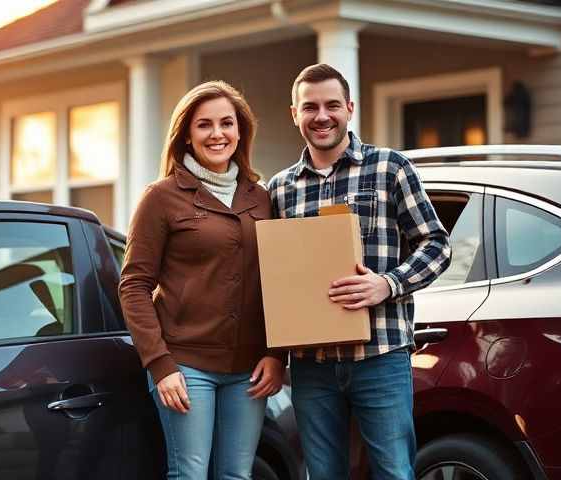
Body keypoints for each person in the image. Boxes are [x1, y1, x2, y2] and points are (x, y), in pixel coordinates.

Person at [267, 63, 451, 480]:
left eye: (333, 105)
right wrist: (276, 355)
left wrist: (387, 285)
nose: (322, 116)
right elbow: (276, 279)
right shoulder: (280, 189)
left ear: (349, 108)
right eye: (309, 107)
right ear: (293, 114)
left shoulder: (390, 168)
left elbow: (437, 245)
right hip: (311, 365)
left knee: (393, 472)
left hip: (380, 358)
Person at [118, 80, 285, 480]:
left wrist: (277, 355)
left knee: (236, 476)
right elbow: (134, 285)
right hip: (186, 365)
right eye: (204, 125)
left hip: (249, 369)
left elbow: (280, 282)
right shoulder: (161, 197)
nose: (217, 134)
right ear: (187, 136)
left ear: (240, 131)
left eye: (227, 123)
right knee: (189, 474)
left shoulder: (261, 198)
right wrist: (160, 365)